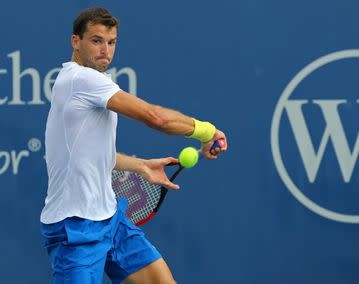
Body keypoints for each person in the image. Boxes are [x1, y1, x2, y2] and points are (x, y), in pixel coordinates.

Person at [40, 7, 227, 284]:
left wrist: (140, 165)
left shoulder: (85, 82)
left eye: (111, 42)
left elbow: (87, 154)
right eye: (96, 40)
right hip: (76, 227)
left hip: (110, 217)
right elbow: (156, 118)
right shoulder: (81, 79)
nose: (106, 49)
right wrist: (206, 131)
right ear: (75, 42)